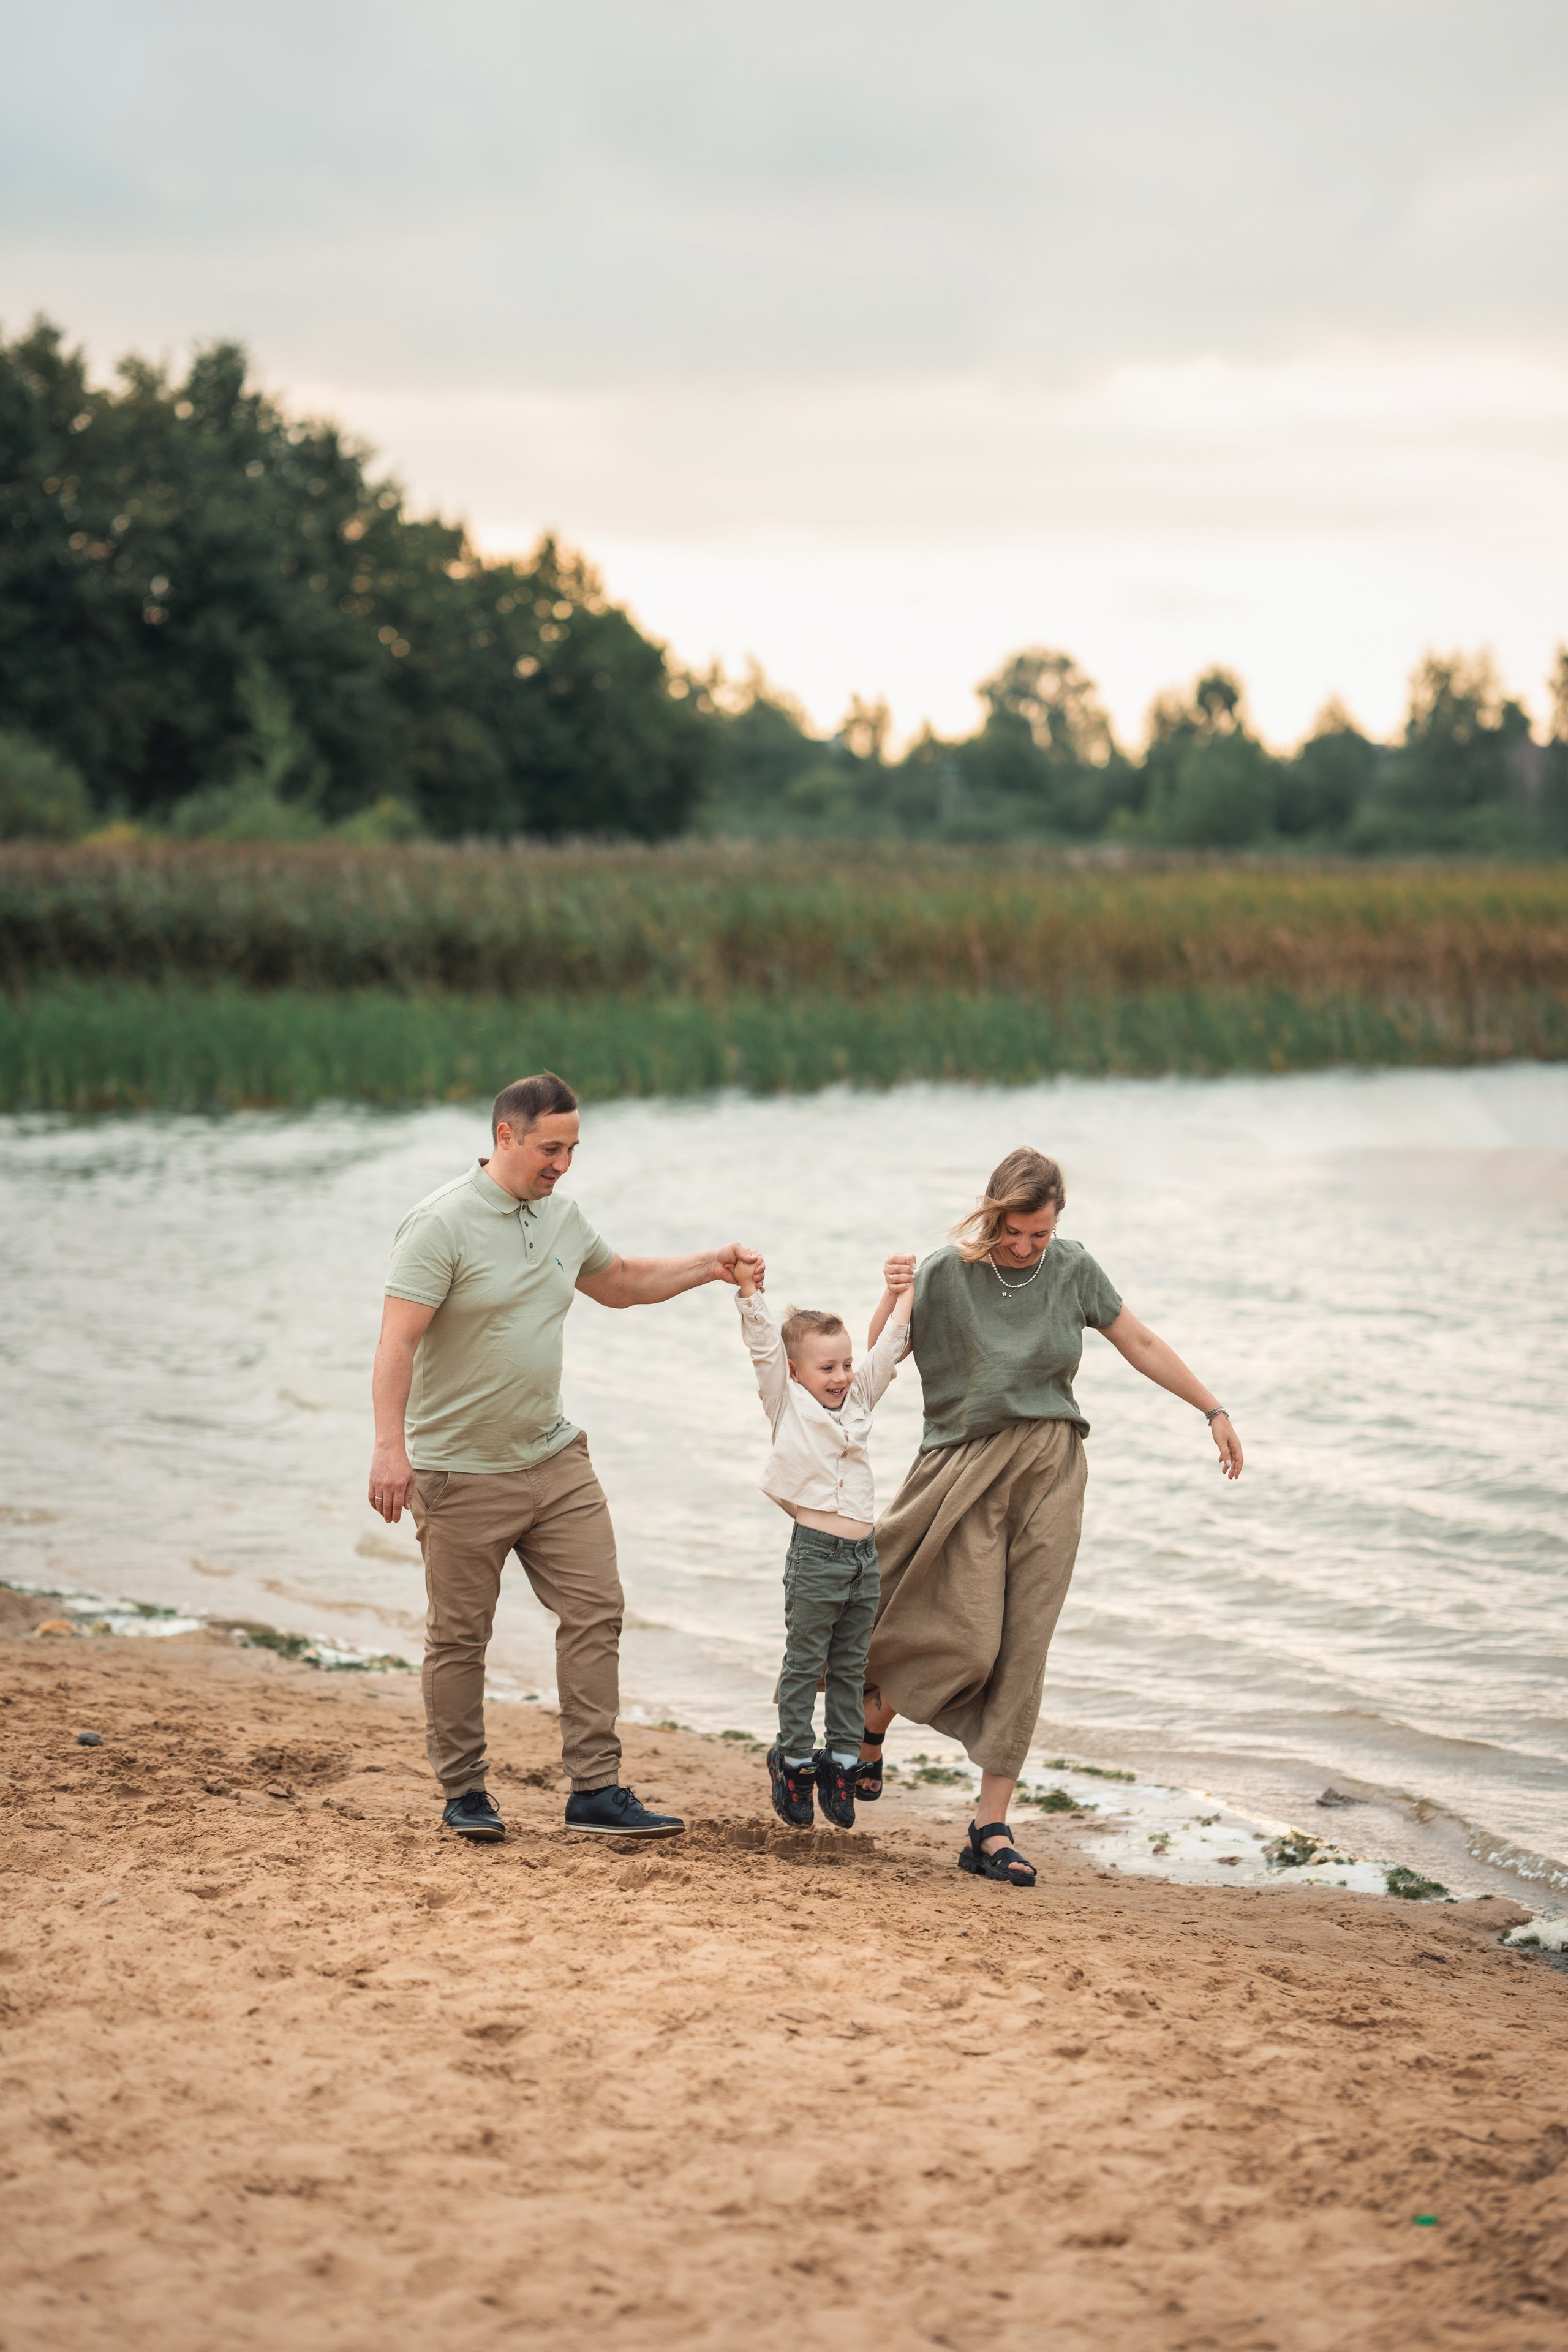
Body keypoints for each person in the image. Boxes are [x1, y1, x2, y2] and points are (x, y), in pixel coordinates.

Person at [367, 1069, 766, 1845]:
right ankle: (465, 1793)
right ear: (504, 1137)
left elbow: (616, 1283)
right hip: (459, 1472)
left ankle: (595, 1789)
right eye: (551, 1148)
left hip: (554, 1461)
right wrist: (390, 1450)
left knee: (596, 1611)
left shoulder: (561, 1217)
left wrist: (709, 1266)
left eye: (574, 1148)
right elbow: (397, 1341)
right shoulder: (439, 1224)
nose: (564, 1165)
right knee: (459, 1638)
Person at [859, 1145, 1242, 1889]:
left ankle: (989, 1826)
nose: (1026, 1246)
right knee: (965, 1639)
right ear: (991, 1212)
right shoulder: (946, 1271)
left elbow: (1139, 1341)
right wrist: (889, 1293)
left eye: (1039, 1232)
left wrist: (1212, 1409)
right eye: (1013, 1231)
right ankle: (874, 1711)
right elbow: (884, 1355)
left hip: (1052, 1467)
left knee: (1025, 1645)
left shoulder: (1072, 1269)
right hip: (965, 1464)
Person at [733, 1256, 913, 1832]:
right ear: (796, 1371)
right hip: (815, 1556)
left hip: (864, 1561)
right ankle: (790, 1761)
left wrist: (902, 1292)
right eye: (825, 1368)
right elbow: (763, 1344)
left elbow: (889, 1347)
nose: (838, 1377)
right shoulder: (787, 1403)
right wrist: (747, 1290)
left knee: (850, 1666)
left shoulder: (857, 1400)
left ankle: (839, 1762)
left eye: (844, 1365)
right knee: (805, 1662)